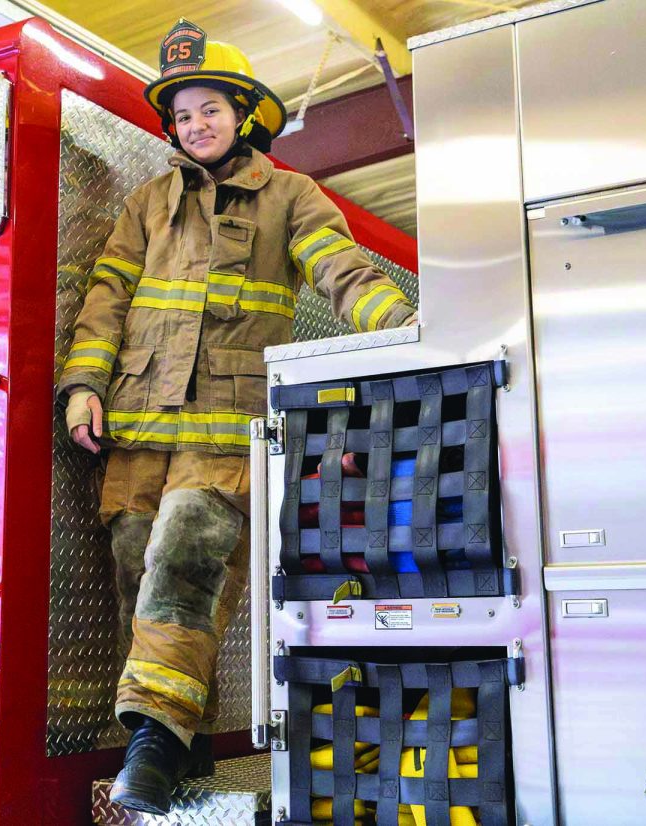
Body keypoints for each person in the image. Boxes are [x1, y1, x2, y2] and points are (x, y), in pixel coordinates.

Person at [57, 18, 417, 815]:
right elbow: (105, 301)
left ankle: (149, 747)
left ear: (245, 113)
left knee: (185, 566)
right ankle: (179, 748)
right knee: (137, 584)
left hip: (228, 427)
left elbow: (339, 268)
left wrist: (400, 330)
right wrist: (83, 384)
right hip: (137, 425)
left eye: (209, 111)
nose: (195, 127)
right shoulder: (147, 203)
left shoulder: (292, 195)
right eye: (182, 117)